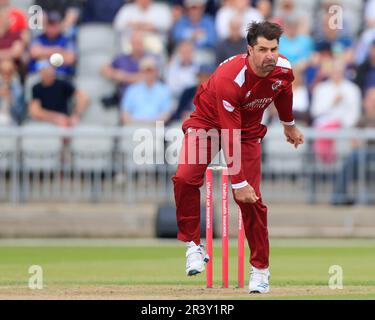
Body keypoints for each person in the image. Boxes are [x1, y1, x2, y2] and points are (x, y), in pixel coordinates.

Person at [172, 21, 304, 294]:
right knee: (186, 177)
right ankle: (193, 245)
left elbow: (283, 92)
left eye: (274, 49)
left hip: (247, 132)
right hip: (208, 123)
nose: (270, 55)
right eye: (263, 49)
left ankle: (260, 269)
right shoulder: (230, 78)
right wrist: (237, 182)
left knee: (251, 200)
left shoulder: (283, 69)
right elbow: (228, 132)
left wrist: (288, 124)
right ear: (249, 50)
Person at [331, 87, 375, 205]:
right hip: (363, 155)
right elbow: (354, 138)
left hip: (368, 153)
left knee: (355, 156)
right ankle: (338, 196)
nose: (371, 103)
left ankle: (338, 196)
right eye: (370, 100)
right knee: (351, 158)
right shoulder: (363, 118)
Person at [29, 61, 87, 127]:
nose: (48, 72)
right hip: (48, 121)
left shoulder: (63, 83)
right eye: (44, 70)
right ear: (40, 72)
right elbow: (35, 111)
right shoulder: (36, 88)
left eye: (49, 69)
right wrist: (56, 117)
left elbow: (82, 97)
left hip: (64, 121)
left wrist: (76, 115)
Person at [120, 56, 172, 124]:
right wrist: (136, 123)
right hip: (134, 126)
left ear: (156, 71)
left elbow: (166, 114)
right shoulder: (132, 90)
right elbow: (124, 114)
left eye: (150, 70)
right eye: (145, 71)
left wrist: (151, 123)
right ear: (141, 71)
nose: (148, 73)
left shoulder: (164, 90)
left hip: (155, 127)